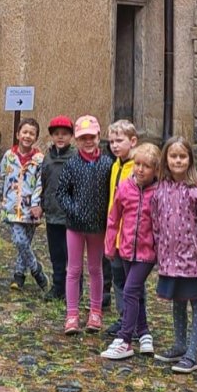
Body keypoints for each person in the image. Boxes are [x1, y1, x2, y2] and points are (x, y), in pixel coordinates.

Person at [150, 136, 197, 374]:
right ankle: (179, 345)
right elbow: (156, 223)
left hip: (192, 259)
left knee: (196, 302)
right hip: (169, 259)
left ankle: (192, 354)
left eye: (182, 156)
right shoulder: (160, 190)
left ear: (190, 160)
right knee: (177, 301)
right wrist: (159, 252)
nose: (178, 161)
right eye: (173, 156)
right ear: (166, 159)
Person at [100, 140, 159, 361]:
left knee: (130, 290)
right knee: (136, 291)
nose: (140, 170)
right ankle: (144, 332)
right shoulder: (125, 187)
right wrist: (110, 244)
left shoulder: (158, 191)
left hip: (147, 252)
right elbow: (114, 217)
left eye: (146, 166)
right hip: (125, 248)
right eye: (138, 164)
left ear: (156, 170)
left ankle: (124, 339)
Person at [58, 115, 114, 334]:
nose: (88, 142)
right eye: (83, 138)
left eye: (91, 137)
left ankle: (95, 312)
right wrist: (74, 210)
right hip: (75, 226)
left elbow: (113, 193)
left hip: (98, 227)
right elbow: (62, 193)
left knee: (95, 269)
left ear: (99, 137)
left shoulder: (107, 164)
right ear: (77, 140)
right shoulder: (72, 164)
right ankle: (72, 314)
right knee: (73, 270)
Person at [0, 116, 47, 292]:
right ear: (18, 134)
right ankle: (36, 268)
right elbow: (1, 176)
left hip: (31, 208)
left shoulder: (39, 159)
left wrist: (37, 205)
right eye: (24, 132)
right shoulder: (9, 156)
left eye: (31, 133)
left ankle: (19, 275)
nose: (27, 136)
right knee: (19, 240)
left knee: (25, 243)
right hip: (12, 206)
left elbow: (40, 183)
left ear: (36, 137)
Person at [104, 119, 139, 321]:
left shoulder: (138, 168)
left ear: (132, 141)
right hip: (115, 232)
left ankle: (134, 320)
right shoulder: (115, 165)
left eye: (119, 141)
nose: (115, 146)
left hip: (131, 234)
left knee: (132, 281)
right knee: (117, 276)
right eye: (111, 142)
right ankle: (123, 317)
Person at [40, 116, 75, 303]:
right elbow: (43, 183)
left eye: (64, 134)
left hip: (70, 215)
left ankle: (74, 289)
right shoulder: (47, 159)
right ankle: (58, 286)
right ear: (52, 136)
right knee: (56, 254)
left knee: (72, 255)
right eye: (56, 134)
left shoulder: (76, 158)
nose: (60, 137)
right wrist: (41, 204)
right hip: (52, 213)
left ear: (71, 136)